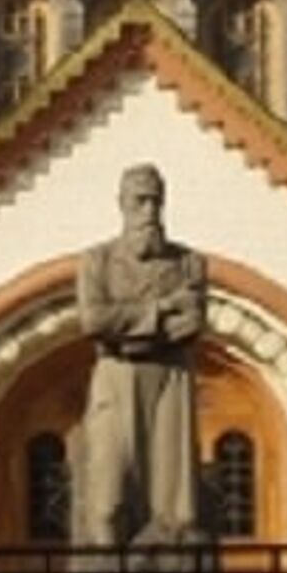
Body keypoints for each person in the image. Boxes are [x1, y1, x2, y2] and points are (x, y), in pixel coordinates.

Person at [76, 165, 206, 550]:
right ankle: (106, 572)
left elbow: (193, 322)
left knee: (175, 502)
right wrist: (163, 308)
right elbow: (93, 319)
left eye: (156, 201)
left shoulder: (189, 262)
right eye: (139, 201)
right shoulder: (96, 260)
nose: (149, 211)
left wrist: (134, 322)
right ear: (122, 205)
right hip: (116, 372)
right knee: (108, 493)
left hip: (171, 375)